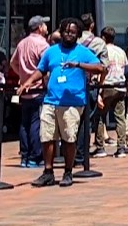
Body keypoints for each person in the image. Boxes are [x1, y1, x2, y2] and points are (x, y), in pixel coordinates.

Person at [34, 19, 105, 188]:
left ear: (78, 34)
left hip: (72, 102)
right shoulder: (51, 51)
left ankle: (68, 171)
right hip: (51, 100)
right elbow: (41, 70)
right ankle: (48, 172)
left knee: (69, 138)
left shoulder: (83, 52)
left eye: (72, 32)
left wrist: (79, 65)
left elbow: (101, 68)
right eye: (66, 31)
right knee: (47, 136)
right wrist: (27, 83)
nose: (69, 34)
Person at [9, 16, 50, 169]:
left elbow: (13, 62)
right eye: (44, 24)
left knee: (24, 124)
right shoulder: (42, 44)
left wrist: (22, 74)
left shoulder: (22, 43)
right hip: (37, 89)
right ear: (39, 27)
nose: (46, 27)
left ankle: (24, 156)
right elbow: (46, 68)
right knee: (35, 123)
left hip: (24, 90)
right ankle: (35, 157)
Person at [98, 28, 128, 157]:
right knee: (120, 118)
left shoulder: (103, 51)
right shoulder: (121, 51)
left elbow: (102, 69)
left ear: (103, 38)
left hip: (108, 85)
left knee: (100, 117)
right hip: (120, 85)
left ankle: (100, 147)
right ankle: (121, 147)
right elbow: (126, 69)